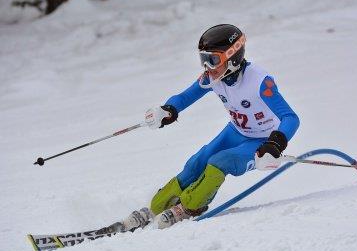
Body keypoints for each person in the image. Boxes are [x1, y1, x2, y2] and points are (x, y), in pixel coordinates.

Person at [99, 24, 300, 233]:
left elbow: (290, 118)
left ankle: (189, 207)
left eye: (212, 60)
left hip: (262, 141)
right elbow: (186, 96)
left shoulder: (258, 81)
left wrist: (275, 144)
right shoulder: (213, 78)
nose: (207, 67)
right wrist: (168, 109)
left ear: (232, 57)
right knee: (197, 162)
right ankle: (154, 208)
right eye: (203, 60)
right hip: (236, 132)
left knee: (219, 162)